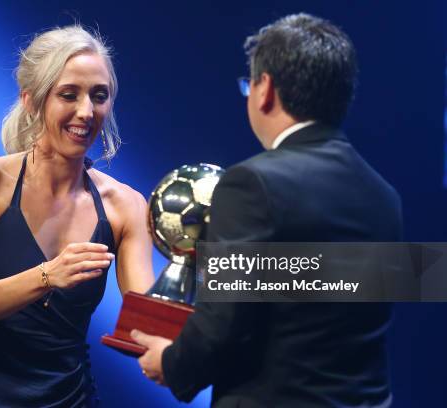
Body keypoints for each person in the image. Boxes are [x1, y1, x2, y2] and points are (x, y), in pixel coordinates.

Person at [131, 13, 402, 407]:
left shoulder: (252, 184)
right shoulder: (385, 195)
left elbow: (223, 322)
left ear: (266, 89)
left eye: (249, 84)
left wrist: (171, 364)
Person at [0, 25, 154, 407]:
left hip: (71, 397)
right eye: (69, 95)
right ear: (31, 100)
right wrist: (47, 275)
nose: (86, 111)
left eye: (99, 96)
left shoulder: (127, 205)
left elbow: (147, 325)